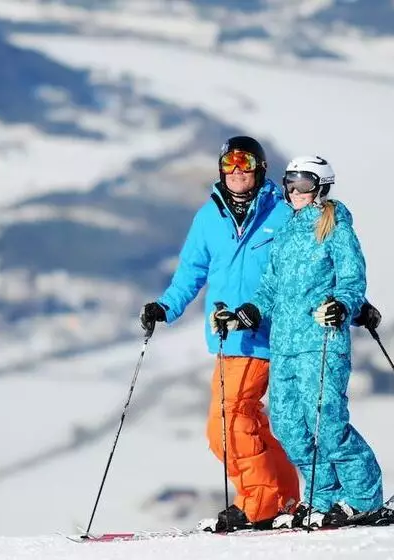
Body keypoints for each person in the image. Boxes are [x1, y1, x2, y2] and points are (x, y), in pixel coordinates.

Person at [211, 155, 394, 529]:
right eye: (290, 183)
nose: (295, 191)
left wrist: (341, 305)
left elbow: (351, 281)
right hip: (284, 345)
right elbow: (269, 289)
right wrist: (243, 315)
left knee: (327, 423)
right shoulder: (285, 234)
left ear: (322, 186)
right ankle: (321, 497)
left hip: (321, 341)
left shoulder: (336, 227)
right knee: (288, 426)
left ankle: (364, 499)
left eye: (304, 184)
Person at [139, 136, 300, 532]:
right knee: (242, 424)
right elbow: (191, 272)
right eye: (229, 163)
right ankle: (283, 498)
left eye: (245, 162)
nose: (237, 170)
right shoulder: (209, 218)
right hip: (230, 339)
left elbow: (310, 265)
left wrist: (351, 303)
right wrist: (165, 307)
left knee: (228, 426)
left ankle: (259, 504)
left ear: (261, 168)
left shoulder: (283, 213)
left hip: (272, 333)